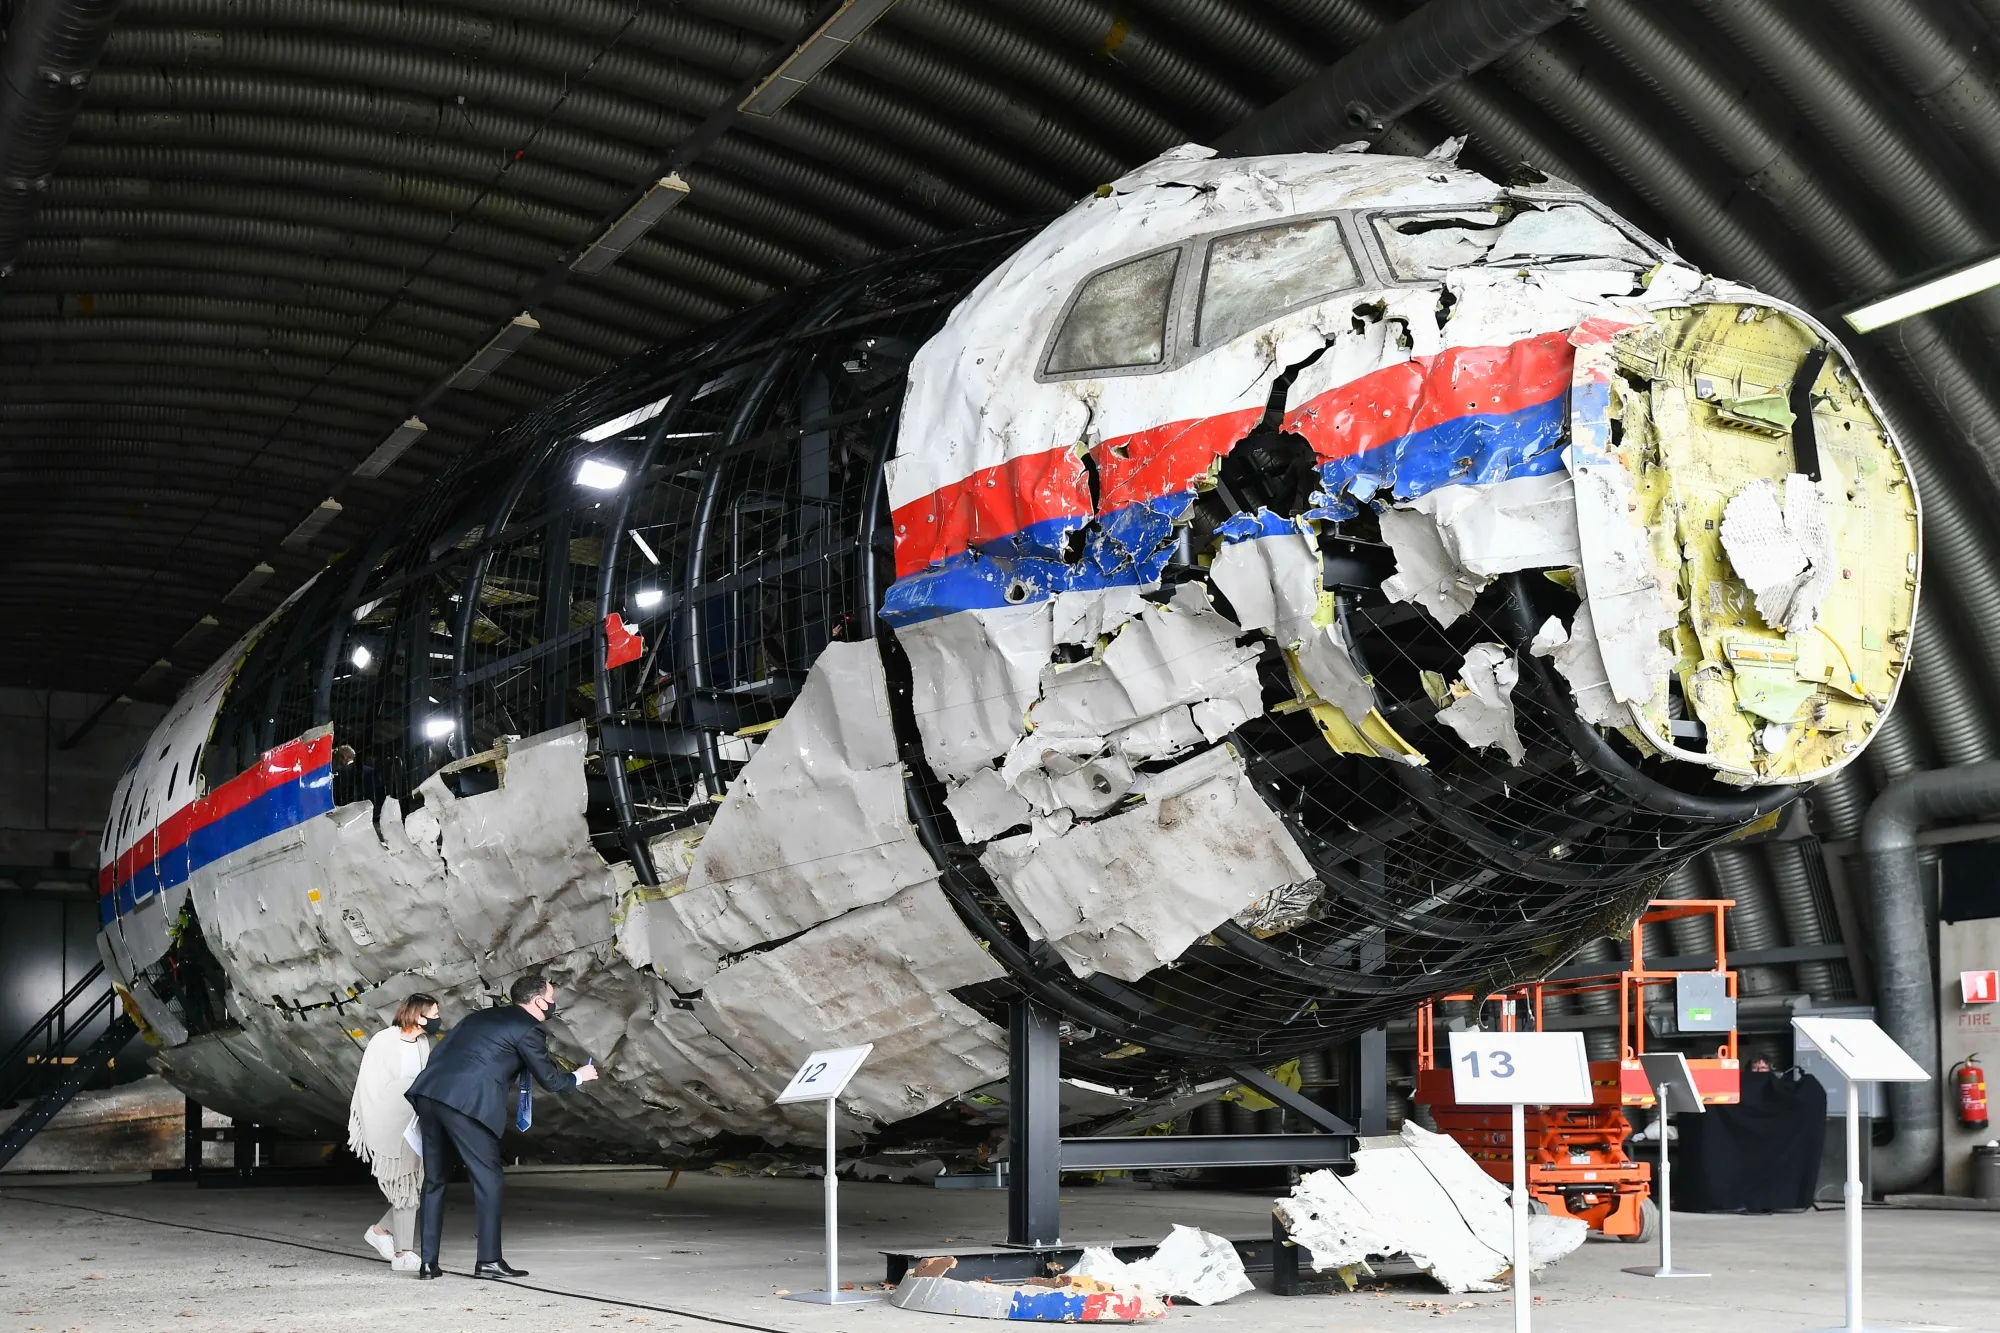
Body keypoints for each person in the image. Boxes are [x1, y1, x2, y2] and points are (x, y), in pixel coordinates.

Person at [404, 974, 598, 1280]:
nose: (553, 1003)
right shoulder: (529, 1028)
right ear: (539, 1002)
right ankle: (489, 1261)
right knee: (489, 1180)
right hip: (466, 1103)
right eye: (551, 996)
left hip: (430, 1093)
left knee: (435, 1180)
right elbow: (550, 1080)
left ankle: (429, 1263)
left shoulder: (479, 1017)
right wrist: (580, 1075)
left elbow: (441, 1053)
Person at [347, 992, 440, 1273]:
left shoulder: (424, 1042)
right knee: (406, 1186)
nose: (437, 1020)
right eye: (433, 1015)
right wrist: (410, 1087)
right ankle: (403, 1253)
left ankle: (380, 1230)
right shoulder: (384, 1041)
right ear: (417, 1014)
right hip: (392, 1120)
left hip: (416, 1121)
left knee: (414, 1186)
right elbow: (372, 1086)